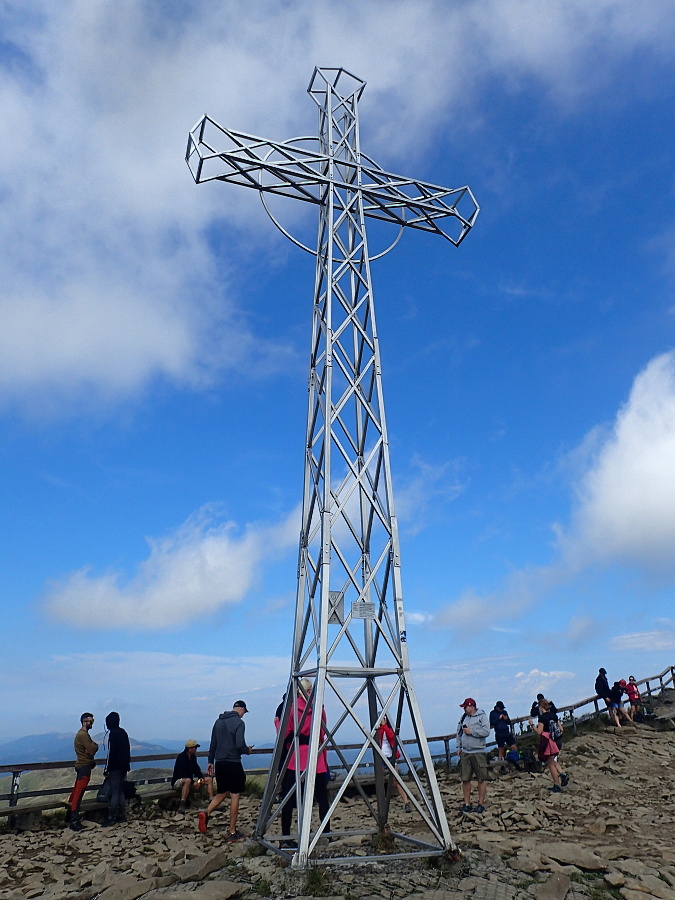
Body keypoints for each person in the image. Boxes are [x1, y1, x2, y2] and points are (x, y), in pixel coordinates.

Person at [280, 679, 331, 849]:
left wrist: (289, 748)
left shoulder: (293, 708)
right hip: (316, 756)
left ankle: (286, 836)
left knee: (288, 797)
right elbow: (323, 731)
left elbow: (286, 732)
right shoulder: (319, 707)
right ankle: (326, 833)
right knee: (322, 797)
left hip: (297, 756)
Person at [199, 701, 252, 840]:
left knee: (222, 793)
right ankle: (232, 832)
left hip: (220, 762)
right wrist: (247, 750)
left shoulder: (218, 722)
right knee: (235, 795)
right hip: (233, 762)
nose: (243, 715)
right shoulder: (239, 723)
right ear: (241, 709)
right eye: (244, 712)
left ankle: (206, 812)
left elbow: (213, 743)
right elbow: (239, 745)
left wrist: (210, 761)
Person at [456, 698, 489, 814]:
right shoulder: (463, 718)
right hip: (466, 752)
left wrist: (472, 731)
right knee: (465, 779)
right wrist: (458, 747)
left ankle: (480, 803)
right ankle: (467, 803)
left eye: (465, 707)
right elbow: (459, 733)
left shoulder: (482, 717)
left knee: (481, 778)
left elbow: (486, 731)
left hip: (478, 751)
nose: (464, 709)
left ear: (472, 706)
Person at [67, 712, 98, 832]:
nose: (92, 723)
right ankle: (74, 821)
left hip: (82, 765)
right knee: (79, 793)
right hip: (84, 766)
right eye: (90, 721)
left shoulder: (81, 734)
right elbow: (92, 749)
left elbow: (89, 749)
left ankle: (69, 817)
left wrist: (91, 747)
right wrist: (95, 746)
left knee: (76, 791)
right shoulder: (83, 735)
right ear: (85, 722)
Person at [529, 699, 569, 792]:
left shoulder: (542, 718)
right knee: (552, 760)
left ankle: (557, 784)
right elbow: (561, 729)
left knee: (550, 763)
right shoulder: (553, 715)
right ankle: (562, 775)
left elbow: (539, 732)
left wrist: (532, 725)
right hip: (558, 740)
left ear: (540, 707)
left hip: (550, 742)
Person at [377, 714, 410, 811]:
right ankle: (382, 803)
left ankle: (406, 802)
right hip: (381, 757)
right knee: (380, 781)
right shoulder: (377, 731)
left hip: (390, 756)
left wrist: (384, 726)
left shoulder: (387, 729)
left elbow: (391, 737)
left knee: (396, 780)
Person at [103, 711, 131, 826]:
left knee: (114, 791)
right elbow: (127, 750)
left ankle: (110, 817)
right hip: (124, 766)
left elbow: (112, 753)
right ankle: (122, 815)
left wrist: (107, 769)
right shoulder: (123, 732)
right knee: (120, 791)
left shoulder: (113, 734)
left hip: (115, 767)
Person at [172, 739, 213, 813]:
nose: (196, 750)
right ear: (190, 749)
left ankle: (211, 800)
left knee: (209, 779)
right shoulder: (181, 757)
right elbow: (182, 773)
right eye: (195, 748)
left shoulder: (193, 757)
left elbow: (196, 769)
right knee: (187, 780)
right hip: (178, 782)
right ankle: (183, 803)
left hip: (190, 781)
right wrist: (193, 782)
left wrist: (201, 779)